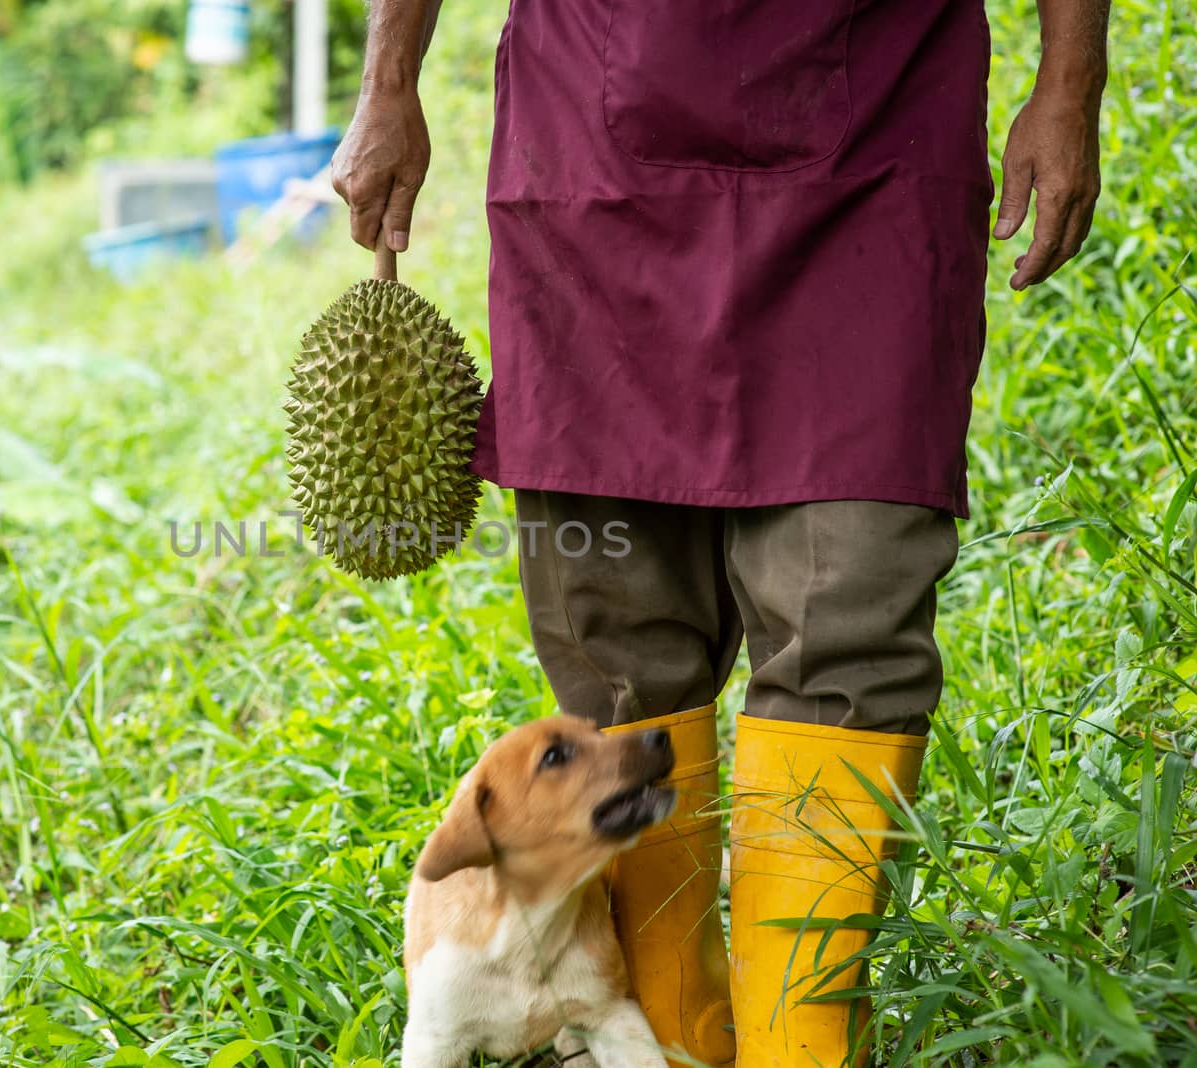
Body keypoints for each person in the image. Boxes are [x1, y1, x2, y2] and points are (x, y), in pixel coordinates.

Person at [332, 1, 1108, 1065]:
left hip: (880, 124)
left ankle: (802, 1046)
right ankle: (675, 1040)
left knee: (854, 606)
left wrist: (1069, 82)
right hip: (591, 143)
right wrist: (387, 82)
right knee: (617, 643)